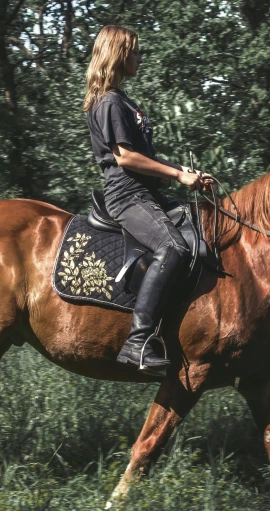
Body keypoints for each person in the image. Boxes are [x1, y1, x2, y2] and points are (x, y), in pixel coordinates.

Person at [83, 25, 213, 375]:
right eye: (135, 51)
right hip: (127, 196)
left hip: (147, 191)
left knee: (202, 230)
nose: (140, 58)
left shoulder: (123, 100)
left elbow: (145, 155)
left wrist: (185, 172)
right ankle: (137, 342)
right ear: (118, 55)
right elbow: (125, 157)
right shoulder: (110, 102)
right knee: (174, 248)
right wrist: (176, 175)